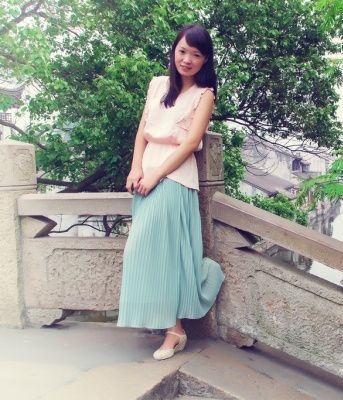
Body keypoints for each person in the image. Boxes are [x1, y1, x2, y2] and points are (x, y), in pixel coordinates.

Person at [117, 25, 224, 361]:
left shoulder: (204, 95)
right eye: (182, 51)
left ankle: (175, 330)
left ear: (205, 60)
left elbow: (191, 143)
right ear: (174, 51)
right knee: (148, 253)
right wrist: (136, 168)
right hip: (146, 177)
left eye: (196, 54)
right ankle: (171, 326)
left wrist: (156, 175)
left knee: (154, 251)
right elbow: (142, 131)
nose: (187, 59)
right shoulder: (158, 85)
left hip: (174, 178)